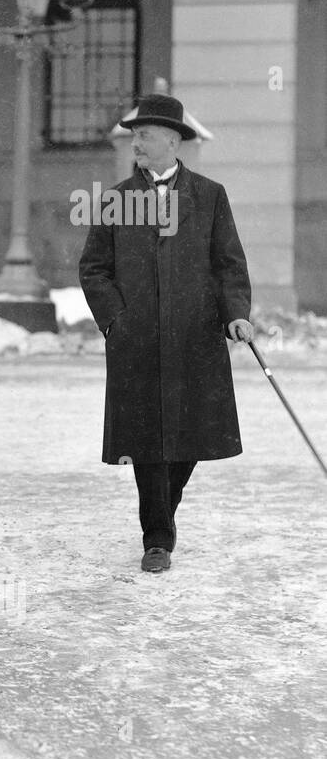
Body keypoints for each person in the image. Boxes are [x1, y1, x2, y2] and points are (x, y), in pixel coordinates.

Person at [79, 93, 252, 573]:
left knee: (190, 437)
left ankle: (163, 510)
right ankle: (157, 537)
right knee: (148, 440)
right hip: (137, 342)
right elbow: (94, 268)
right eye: (135, 135)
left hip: (196, 338)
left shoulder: (211, 196)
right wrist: (116, 319)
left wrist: (235, 313)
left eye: (146, 135)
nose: (137, 142)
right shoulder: (115, 199)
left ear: (173, 141)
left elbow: (229, 264)